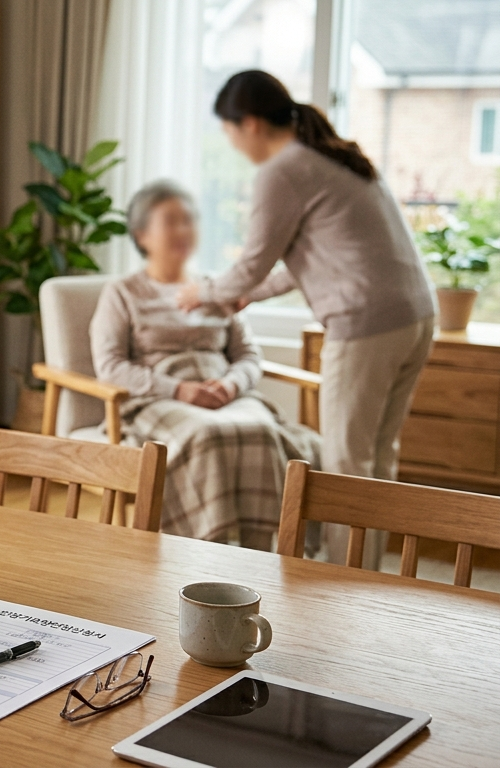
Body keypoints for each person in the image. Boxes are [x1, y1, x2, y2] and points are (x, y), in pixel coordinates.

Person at [177, 70, 434, 565]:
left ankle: (343, 582)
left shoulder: (283, 169)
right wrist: (247, 297)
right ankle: (370, 572)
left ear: (249, 124)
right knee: (377, 456)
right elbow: (308, 262)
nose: (231, 144)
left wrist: (204, 293)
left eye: (228, 132)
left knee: (344, 462)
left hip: (366, 326)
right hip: (414, 316)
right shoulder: (333, 157)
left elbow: (254, 261)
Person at [91, 181, 319, 550]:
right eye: (172, 221)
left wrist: (230, 385)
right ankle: (198, 551)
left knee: (259, 428)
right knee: (207, 435)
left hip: (223, 394)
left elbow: (248, 356)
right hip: (158, 400)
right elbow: (111, 366)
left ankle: (261, 552)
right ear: (142, 234)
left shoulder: (216, 288)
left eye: (190, 220)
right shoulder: (123, 292)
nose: (184, 230)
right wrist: (179, 389)